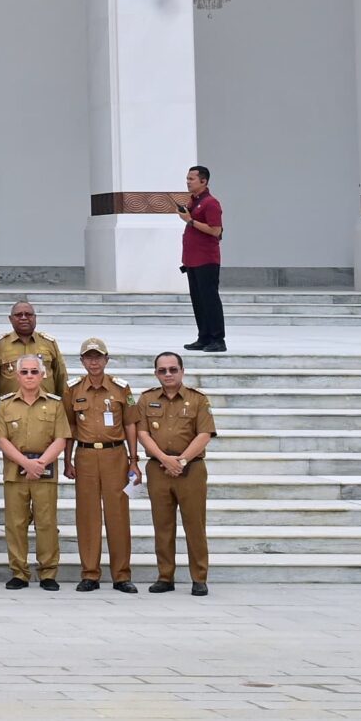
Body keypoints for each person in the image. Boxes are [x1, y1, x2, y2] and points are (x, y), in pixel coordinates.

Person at [64, 338, 138, 592]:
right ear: (82, 361)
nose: (93, 361)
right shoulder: (72, 389)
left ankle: (121, 575)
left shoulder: (121, 389)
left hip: (115, 454)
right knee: (87, 515)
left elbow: (130, 424)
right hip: (85, 456)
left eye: (98, 357)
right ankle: (90, 573)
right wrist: (67, 459)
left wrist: (134, 460)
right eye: (88, 357)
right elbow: (70, 427)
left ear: (106, 359)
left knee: (118, 515)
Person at [138, 350, 215, 594]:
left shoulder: (198, 399)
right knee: (162, 525)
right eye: (162, 370)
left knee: (195, 525)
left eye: (173, 369)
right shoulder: (146, 399)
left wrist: (181, 461)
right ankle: (165, 576)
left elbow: (204, 434)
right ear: (155, 373)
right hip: (158, 469)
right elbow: (142, 433)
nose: (168, 374)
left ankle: (199, 577)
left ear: (182, 371)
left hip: (190, 470)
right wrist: (164, 458)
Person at [0, 353, 68, 590]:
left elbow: (61, 439)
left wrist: (40, 464)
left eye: (34, 371)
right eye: (24, 372)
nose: (29, 376)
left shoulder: (55, 404)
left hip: (45, 471)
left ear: (42, 374)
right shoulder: (5, 404)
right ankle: (19, 572)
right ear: (16, 375)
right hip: (16, 471)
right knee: (16, 524)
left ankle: (48, 573)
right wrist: (26, 463)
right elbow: (1, 440)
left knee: (46, 523)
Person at [178, 166, 226, 352]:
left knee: (210, 299)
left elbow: (216, 230)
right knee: (198, 300)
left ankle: (217, 339)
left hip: (206, 260)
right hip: (192, 260)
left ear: (203, 181)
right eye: (187, 178)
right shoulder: (194, 201)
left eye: (191, 179)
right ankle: (204, 336)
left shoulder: (211, 203)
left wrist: (190, 220)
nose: (188, 181)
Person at [0, 300, 66, 409]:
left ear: (35, 317)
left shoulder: (49, 343)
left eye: (28, 314)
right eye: (18, 315)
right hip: (11, 410)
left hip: (46, 409)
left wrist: (64, 409)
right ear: (10, 319)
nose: (24, 318)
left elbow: (61, 377)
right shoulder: (0, 345)